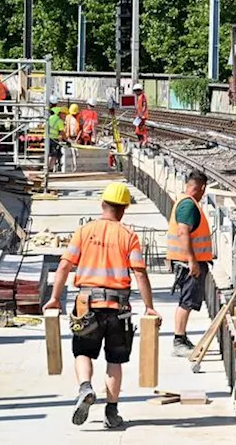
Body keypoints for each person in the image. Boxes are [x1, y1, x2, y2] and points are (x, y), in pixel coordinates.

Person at [43, 183, 156, 429]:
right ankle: (111, 412)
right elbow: (140, 273)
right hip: (118, 308)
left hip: (87, 305)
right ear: (124, 209)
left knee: (83, 351)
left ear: (102, 204)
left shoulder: (84, 231)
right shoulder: (129, 236)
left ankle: (85, 387)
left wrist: (54, 298)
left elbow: (64, 266)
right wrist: (149, 306)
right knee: (115, 360)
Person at [166, 171, 212, 356]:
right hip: (188, 263)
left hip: (187, 261)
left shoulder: (185, 201)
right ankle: (178, 341)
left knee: (187, 301)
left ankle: (182, 338)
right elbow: (183, 233)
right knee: (186, 301)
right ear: (201, 187)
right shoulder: (188, 206)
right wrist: (192, 260)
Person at [46, 99, 65, 172]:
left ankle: (46, 167)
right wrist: (62, 141)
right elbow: (61, 133)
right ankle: (50, 168)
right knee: (53, 155)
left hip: (47, 138)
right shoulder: (59, 121)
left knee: (48, 153)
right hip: (54, 139)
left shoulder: (49, 118)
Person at [132, 83, 150, 148]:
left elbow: (144, 105)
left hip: (142, 116)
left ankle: (144, 141)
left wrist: (142, 114)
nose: (136, 92)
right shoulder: (139, 97)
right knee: (138, 130)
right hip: (139, 116)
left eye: (137, 91)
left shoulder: (142, 96)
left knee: (141, 129)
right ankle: (141, 141)